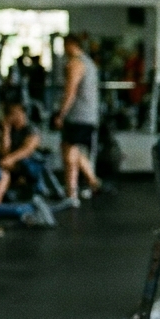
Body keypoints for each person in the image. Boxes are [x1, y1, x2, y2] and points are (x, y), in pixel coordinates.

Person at [53, 33, 102, 206]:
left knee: (69, 154)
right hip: (88, 115)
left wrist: (61, 113)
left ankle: (71, 194)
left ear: (71, 44)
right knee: (74, 150)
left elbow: (70, 92)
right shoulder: (89, 62)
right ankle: (93, 182)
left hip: (77, 115)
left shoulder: (75, 63)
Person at [0, 100, 42, 205]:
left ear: (22, 112)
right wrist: (6, 131)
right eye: (10, 113)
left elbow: (27, 150)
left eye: (15, 112)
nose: (12, 115)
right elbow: (4, 150)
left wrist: (11, 158)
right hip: (7, 165)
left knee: (7, 165)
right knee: (3, 174)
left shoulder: (31, 129)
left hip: (26, 162)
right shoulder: (8, 129)